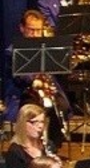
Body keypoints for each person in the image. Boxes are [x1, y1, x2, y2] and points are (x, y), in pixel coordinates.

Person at [6, 9, 70, 140]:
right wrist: (34, 81)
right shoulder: (12, 51)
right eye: (31, 30)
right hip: (22, 93)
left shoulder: (47, 48)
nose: (35, 34)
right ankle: (32, 143)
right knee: (35, 108)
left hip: (45, 90)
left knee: (62, 105)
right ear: (22, 28)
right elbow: (19, 77)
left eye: (38, 30)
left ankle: (53, 145)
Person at [4, 104, 51, 168]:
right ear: (23, 123)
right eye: (35, 122)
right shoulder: (15, 152)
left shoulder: (48, 145)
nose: (40, 126)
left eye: (42, 122)